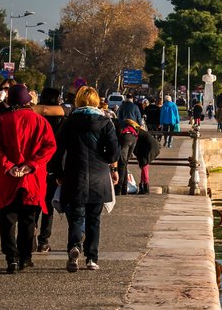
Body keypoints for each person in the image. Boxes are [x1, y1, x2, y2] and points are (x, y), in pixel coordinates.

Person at [0, 84, 57, 273]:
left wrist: (9, 166)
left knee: (7, 219)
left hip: (7, 178)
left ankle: (12, 258)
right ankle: (25, 256)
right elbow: (50, 147)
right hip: (32, 178)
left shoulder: (1, 121)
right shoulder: (41, 122)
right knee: (28, 219)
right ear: (28, 101)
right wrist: (30, 165)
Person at [52, 86, 119, 272]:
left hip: (75, 174)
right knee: (94, 219)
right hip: (98, 175)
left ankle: (74, 247)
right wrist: (109, 164)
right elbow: (114, 153)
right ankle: (92, 258)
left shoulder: (69, 122)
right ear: (97, 101)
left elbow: (57, 151)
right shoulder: (106, 123)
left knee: (76, 217)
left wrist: (58, 173)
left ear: (79, 101)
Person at [31, 88, 67, 253]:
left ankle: (30, 232)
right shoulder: (62, 118)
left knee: (33, 203)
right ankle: (43, 241)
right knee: (48, 205)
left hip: (34, 163)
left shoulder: (34, 115)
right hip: (53, 165)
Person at [131, 121, 159, 194]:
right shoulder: (139, 130)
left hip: (148, 149)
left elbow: (134, 145)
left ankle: (145, 187)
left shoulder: (135, 132)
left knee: (144, 167)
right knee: (144, 167)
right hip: (150, 148)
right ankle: (143, 185)